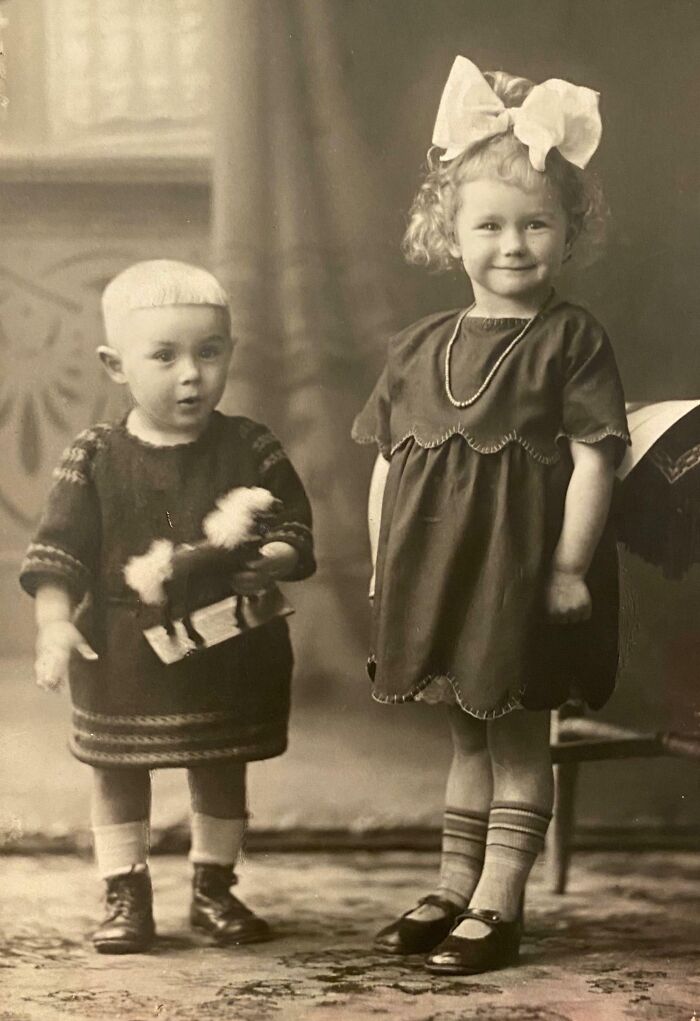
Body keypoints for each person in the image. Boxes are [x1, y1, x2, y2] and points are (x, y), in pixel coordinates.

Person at [352, 57, 629, 975]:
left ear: (568, 231)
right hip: (443, 576)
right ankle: (452, 880)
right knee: (465, 728)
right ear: (450, 231)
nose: (513, 245)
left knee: (516, 730)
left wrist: (566, 568)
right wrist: (384, 566)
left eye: (537, 224)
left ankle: (500, 896)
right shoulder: (417, 346)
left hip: (520, 575)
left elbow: (597, 457)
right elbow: (391, 469)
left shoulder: (570, 340)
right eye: (490, 225)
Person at [20, 260, 315, 954]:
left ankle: (215, 887)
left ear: (230, 354)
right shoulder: (94, 454)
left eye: (209, 353)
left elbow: (294, 528)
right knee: (118, 769)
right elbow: (59, 547)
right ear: (114, 364)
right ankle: (126, 890)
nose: (191, 374)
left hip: (226, 642)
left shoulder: (250, 445)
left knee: (219, 762)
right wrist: (54, 621)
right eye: (165, 356)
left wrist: (271, 557)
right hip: (123, 646)